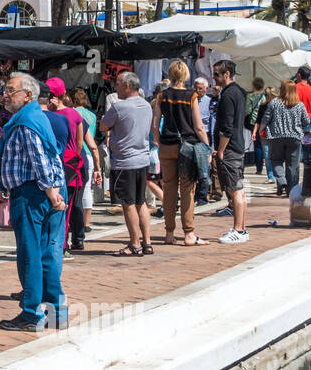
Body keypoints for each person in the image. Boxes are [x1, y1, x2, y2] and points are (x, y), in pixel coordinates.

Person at [0, 73, 68, 331]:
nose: (5, 95)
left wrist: (50, 191)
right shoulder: (38, 117)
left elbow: (39, 159)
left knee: (30, 256)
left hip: (33, 194)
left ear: (28, 95)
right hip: (46, 190)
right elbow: (51, 157)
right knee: (46, 255)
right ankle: (56, 313)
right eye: (5, 90)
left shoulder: (26, 121)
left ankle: (31, 313)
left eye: (11, 90)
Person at [151, 60, 211, 246]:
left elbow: (155, 125)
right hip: (187, 146)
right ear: (185, 75)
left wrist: (158, 141)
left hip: (167, 146)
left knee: (168, 189)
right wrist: (207, 147)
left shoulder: (162, 95)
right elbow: (199, 126)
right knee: (187, 190)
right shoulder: (191, 95)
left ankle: (169, 233)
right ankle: (189, 233)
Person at [99, 72, 154, 256]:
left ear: (127, 86)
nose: (115, 88)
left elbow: (103, 126)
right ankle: (147, 242)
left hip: (124, 161)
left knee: (128, 203)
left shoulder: (119, 107)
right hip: (142, 159)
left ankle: (134, 243)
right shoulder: (146, 105)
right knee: (141, 201)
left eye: (118, 84)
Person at [46, 78, 100, 255]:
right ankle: (74, 240)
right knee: (72, 203)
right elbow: (79, 145)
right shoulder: (75, 115)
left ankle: (60, 243)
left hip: (56, 162)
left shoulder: (46, 115)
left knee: (56, 203)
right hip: (73, 162)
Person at [212, 60, 249, 244]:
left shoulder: (228, 95)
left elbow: (226, 127)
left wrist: (220, 150)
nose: (214, 77)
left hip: (230, 148)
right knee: (238, 190)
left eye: (217, 74)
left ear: (227, 74)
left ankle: (238, 229)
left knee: (235, 190)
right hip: (238, 145)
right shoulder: (239, 92)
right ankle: (241, 228)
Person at [259, 80, 311, 196]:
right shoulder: (299, 104)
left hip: (276, 136)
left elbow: (266, 118)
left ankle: (282, 181)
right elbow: (306, 121)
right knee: (293, 165)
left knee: (276, 160)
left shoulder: (274, 103)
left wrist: (260, 130)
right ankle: (291, 191)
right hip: (294, 137)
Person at [68, 88, 99, 237]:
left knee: (76, 192)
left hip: (77, 152)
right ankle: (87, 222)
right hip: (90, 153)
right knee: (87, 189)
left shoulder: (72, 113)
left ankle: (77, 224)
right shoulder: (92, 115)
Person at [246, 78, 268, 175]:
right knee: (265, 144)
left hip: (253, 122)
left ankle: (259, 168)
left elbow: (248, 110)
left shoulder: (250, 96)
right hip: (264, 121)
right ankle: (267, 165)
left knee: (257, 145)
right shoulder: (265, 96)